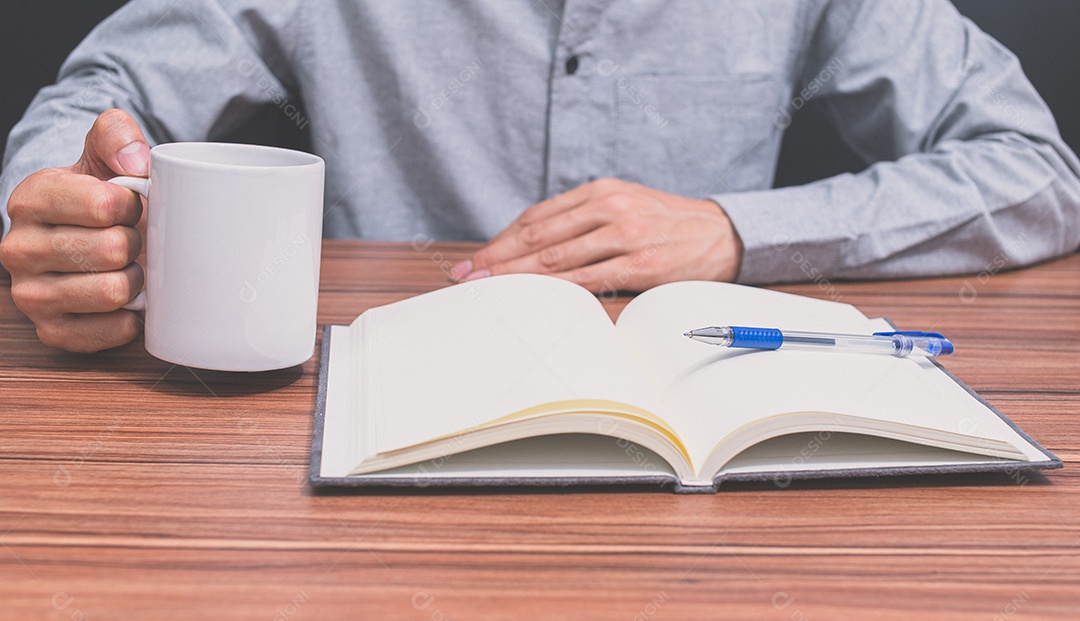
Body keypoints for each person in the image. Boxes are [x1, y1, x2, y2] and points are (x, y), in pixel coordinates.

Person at [1, 0, 1078, 353]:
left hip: (708, 460)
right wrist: (68, 206)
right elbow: (103, 94)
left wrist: (736, 231)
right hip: (353, 421)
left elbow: (1038, 171)